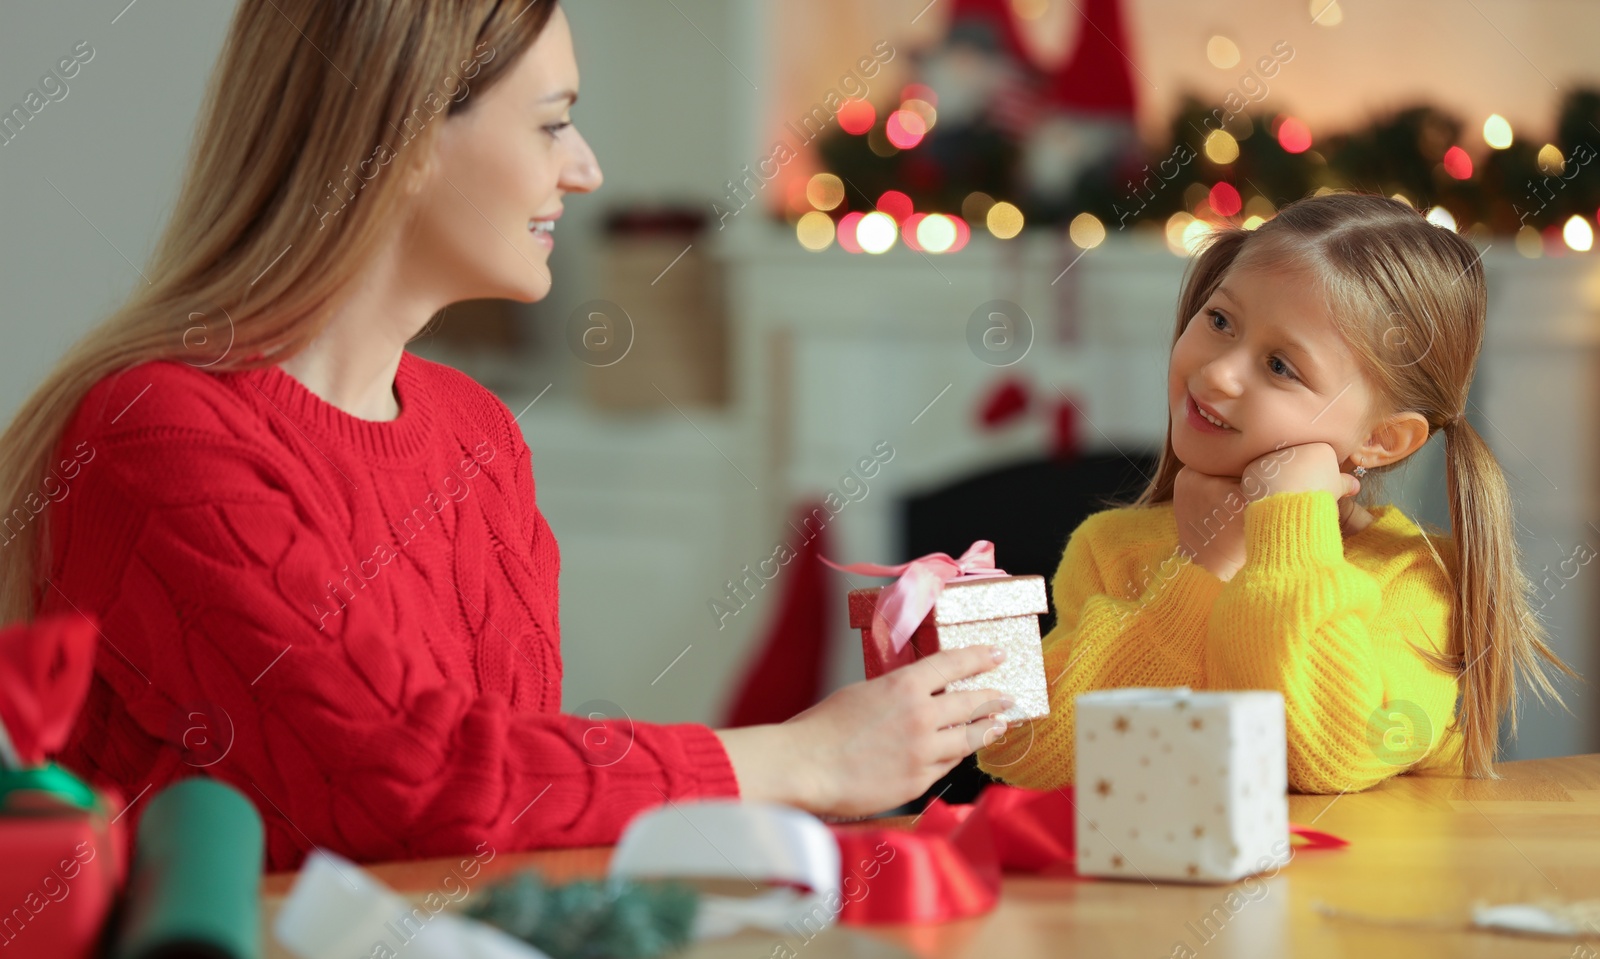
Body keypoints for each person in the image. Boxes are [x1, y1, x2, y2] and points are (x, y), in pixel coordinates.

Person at [0, 0, 1013, 871]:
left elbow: (514, 789)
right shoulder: (155, 434)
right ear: (397, 140)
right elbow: (400, 779)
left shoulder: (477, 437)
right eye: (551, 124)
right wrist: (810, 759)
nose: (585, 167)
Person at [979, 192, 1580, 795]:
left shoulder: (1416, 579)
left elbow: (1327, 756)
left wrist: (1288, 530)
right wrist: (1203, 570)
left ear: (1382, 439)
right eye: (1219, 321)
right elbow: (1026, 753)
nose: (1217, 373)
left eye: (1280, 366)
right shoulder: (1110, 551)